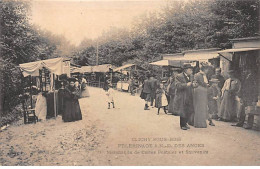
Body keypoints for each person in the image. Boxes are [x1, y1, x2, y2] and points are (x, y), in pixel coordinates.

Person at [173, 64, 194, 130]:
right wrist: (186, 85)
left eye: (191, 70)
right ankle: (182, 125)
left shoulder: (191, 76)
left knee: (189, 110)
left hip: (189, 95)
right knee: (183, 110)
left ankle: (185, 123)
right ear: (185, 70)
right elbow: (177, 86)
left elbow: (192, 84)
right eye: (190, 70)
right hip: (182, 96)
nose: (191, 71)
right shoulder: (179, 76)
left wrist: (194, 85)